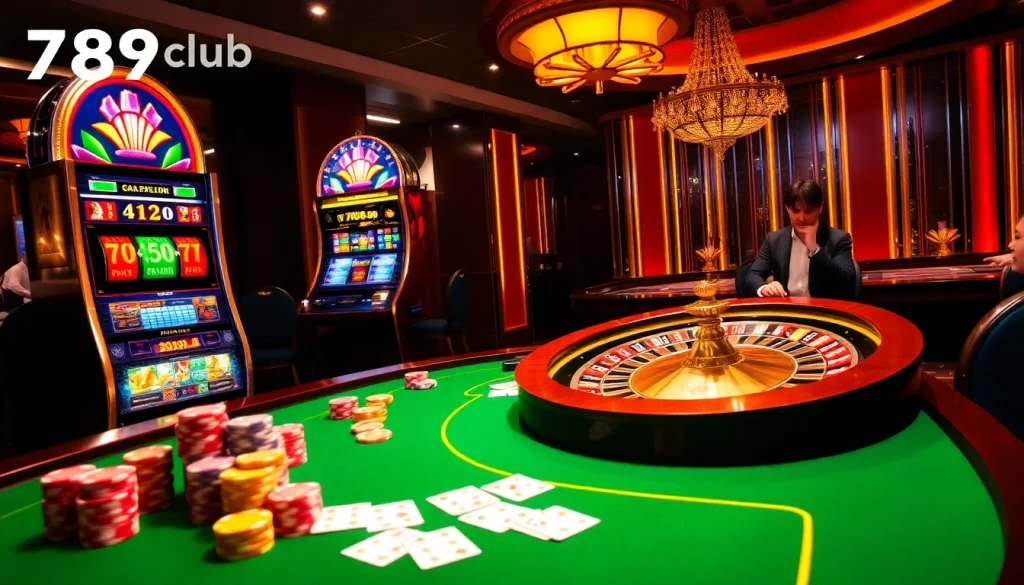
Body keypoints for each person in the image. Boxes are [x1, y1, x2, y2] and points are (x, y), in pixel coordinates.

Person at [745, 180, 858, 299]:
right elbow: (753, 275)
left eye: (808, 211)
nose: (801, 218)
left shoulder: (838, 239)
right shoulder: (773, 240)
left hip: (824, 312)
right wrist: (764, 288)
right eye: (795, 211)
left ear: (820, 208)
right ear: (787, 209)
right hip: (787, 311)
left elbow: (848, 281)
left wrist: (815, 249)